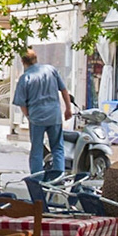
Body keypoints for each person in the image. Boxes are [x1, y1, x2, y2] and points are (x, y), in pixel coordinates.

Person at [10, 48, 73, 181]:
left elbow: (22, 103)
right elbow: (63, 90)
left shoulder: (25, 78)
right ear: (36, 58)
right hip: (54, 115)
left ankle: (37, 179)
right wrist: (68, 109)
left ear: (22, 61)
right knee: (57, 147)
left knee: (37, 149)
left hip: (37, 117)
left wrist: (28, 117)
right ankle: (58, 177)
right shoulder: (51, 70)